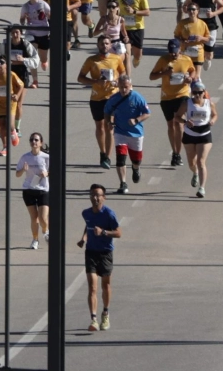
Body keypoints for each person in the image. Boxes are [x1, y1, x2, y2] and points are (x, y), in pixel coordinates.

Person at [77, 34, 127, 167]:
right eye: (101, 43)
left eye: (106, 43)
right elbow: (80, 78)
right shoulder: (91, 60)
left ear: (110, 45)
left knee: (109, 126)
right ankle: (102, 152)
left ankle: (107, 157)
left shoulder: (116, 59)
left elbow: (123, 74)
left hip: (112, 97)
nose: (104, 46)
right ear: (97, 45)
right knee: (100, 127)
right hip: (96, 98)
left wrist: (117, 82)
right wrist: (95, 81)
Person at [79, 184, 122, 332]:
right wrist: (84, 238)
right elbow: (88, 225)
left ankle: (105, 313)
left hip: (105, 253)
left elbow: (118, 233)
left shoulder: (109, 214)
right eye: (92, 195)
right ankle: (94, 319)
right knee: (92, 287)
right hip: (91, 251)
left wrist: (103, 232)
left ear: (104, 197)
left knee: (106, 286)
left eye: (98, 195)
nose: (95, 198)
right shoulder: (86, 213)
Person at [103, 73, 151, 192]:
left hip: (136, 133)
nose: (124, 90)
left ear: (130, 86)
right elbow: (107, 112)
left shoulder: (138, 97)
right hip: (120, 132)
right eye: (121, 87)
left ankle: (136, 169)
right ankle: (123, 183)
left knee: (136, 160)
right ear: (118, 86)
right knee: (120, 158)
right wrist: (109, 122)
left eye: (126, 87)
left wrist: (136, 120)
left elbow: (147, 113)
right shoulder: (113, 99)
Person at [181, 80, 217, 197]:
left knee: (201, 162)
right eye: (195, 92)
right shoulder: (187, 103)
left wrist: (212, 120)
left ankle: (201, 188)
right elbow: (177, 116)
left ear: (204, 92)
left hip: (204, 135)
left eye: (200, 92)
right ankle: (195, 172)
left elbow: (215, 114)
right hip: (189, 134)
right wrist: (186, 121)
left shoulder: (209, 103)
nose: (197, 95)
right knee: (192, 163)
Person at [16, 132, 52, 248]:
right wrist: (23, 170)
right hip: (28, 189)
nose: (34, 142)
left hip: (43, 190)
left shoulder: (46, 158)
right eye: (32, 140)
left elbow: (54, 171)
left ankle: (45, 231)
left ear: (41, 143)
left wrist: (47, 173)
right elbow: (17, 174)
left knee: (43, 218)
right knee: (34, 218)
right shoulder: (25, 157)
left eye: (36, 140)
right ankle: (35, 239)